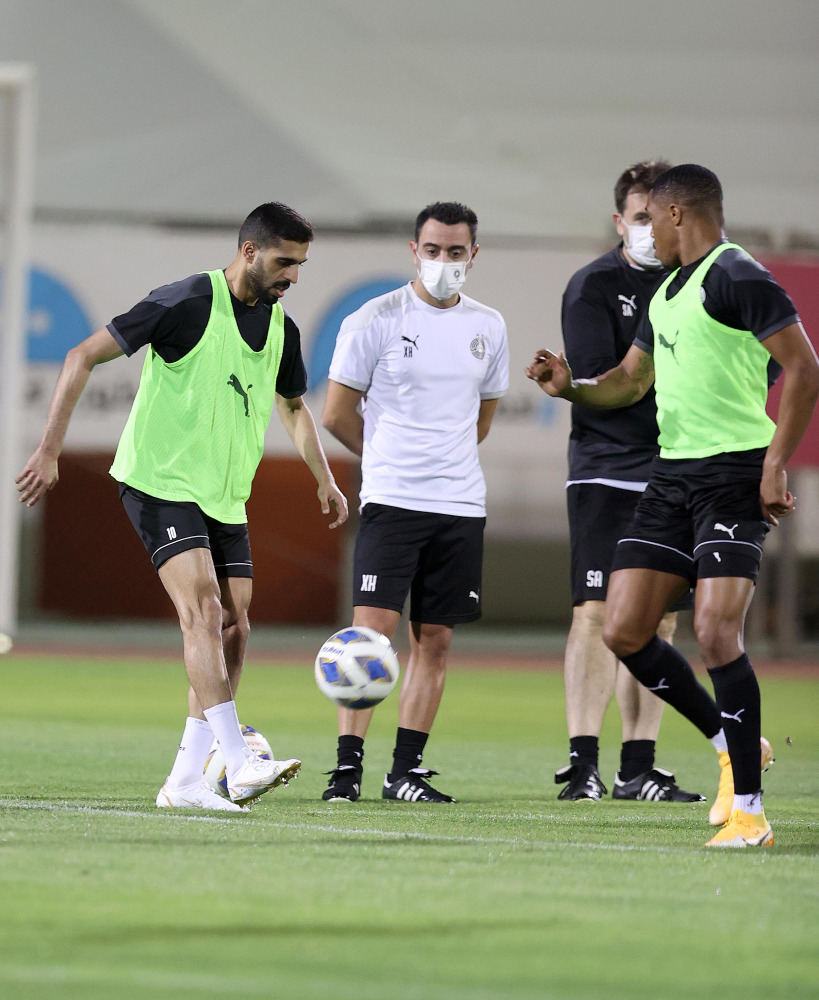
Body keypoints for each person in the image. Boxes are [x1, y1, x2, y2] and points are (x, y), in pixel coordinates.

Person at [16, 202, 349, 812]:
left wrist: (324, 479)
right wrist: (48, 451)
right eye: (284, 262)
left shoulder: (281, 327)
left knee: (233, 626)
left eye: (301, 265)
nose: (293, 277)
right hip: (161, 480)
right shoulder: (185, 301)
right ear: (249, 251)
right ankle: (239, 758)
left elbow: (295, 406)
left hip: (224, 495)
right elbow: (80, 356)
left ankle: (186, 781)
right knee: (202, 609)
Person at [527, 164, 819, 847]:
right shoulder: (665, 294)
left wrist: (775, 464)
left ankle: (746, 809)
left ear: (678, 215)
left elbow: (803, 367)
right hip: (670, 477)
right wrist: (570, 387)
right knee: (623, 630)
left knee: (716, 633)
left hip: (732, 475)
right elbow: (629, 383)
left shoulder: (734, 274)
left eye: (651, 219)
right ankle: (729, 741)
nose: (646, 232)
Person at [320, 201, 509, 803]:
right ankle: (347, 771)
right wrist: (385, 458)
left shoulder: (489, 327)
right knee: (368, 638)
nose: (443, 262)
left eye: (456, 252)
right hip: (392, 501)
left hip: (459, 506)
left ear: (473, 256)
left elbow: (480, 422)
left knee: (436, 642)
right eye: (433, 251)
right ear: (413, 251)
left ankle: (404, 773)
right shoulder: (373, 319)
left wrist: (441, 459)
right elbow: (335, 415)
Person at [555, 158, 703, 804]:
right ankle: (581, 761)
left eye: (660, 217)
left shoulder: (691, 285)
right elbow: (600, 386)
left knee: (661, 626)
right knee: (592, 615)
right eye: (638, 217)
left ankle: (636, 767)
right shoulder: (591, 286)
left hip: (672, 472)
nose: (650, 229)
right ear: (619, 221)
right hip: (605, 474)